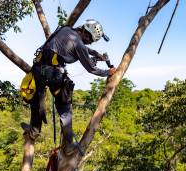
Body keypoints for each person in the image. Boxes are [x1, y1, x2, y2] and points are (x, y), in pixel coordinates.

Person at [21, 19, 116, 155]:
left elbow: (77, 46)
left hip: (38, 69)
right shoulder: (79, 43)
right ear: (85, 33)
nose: (88, 43)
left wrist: (94, 53)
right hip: (54, 74)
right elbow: (91, 69)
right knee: (65, 109)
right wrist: (108, 72)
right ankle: (69, 145)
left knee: (36, 101)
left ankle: (34, 131)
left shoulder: (66, 30)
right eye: (89, 40)